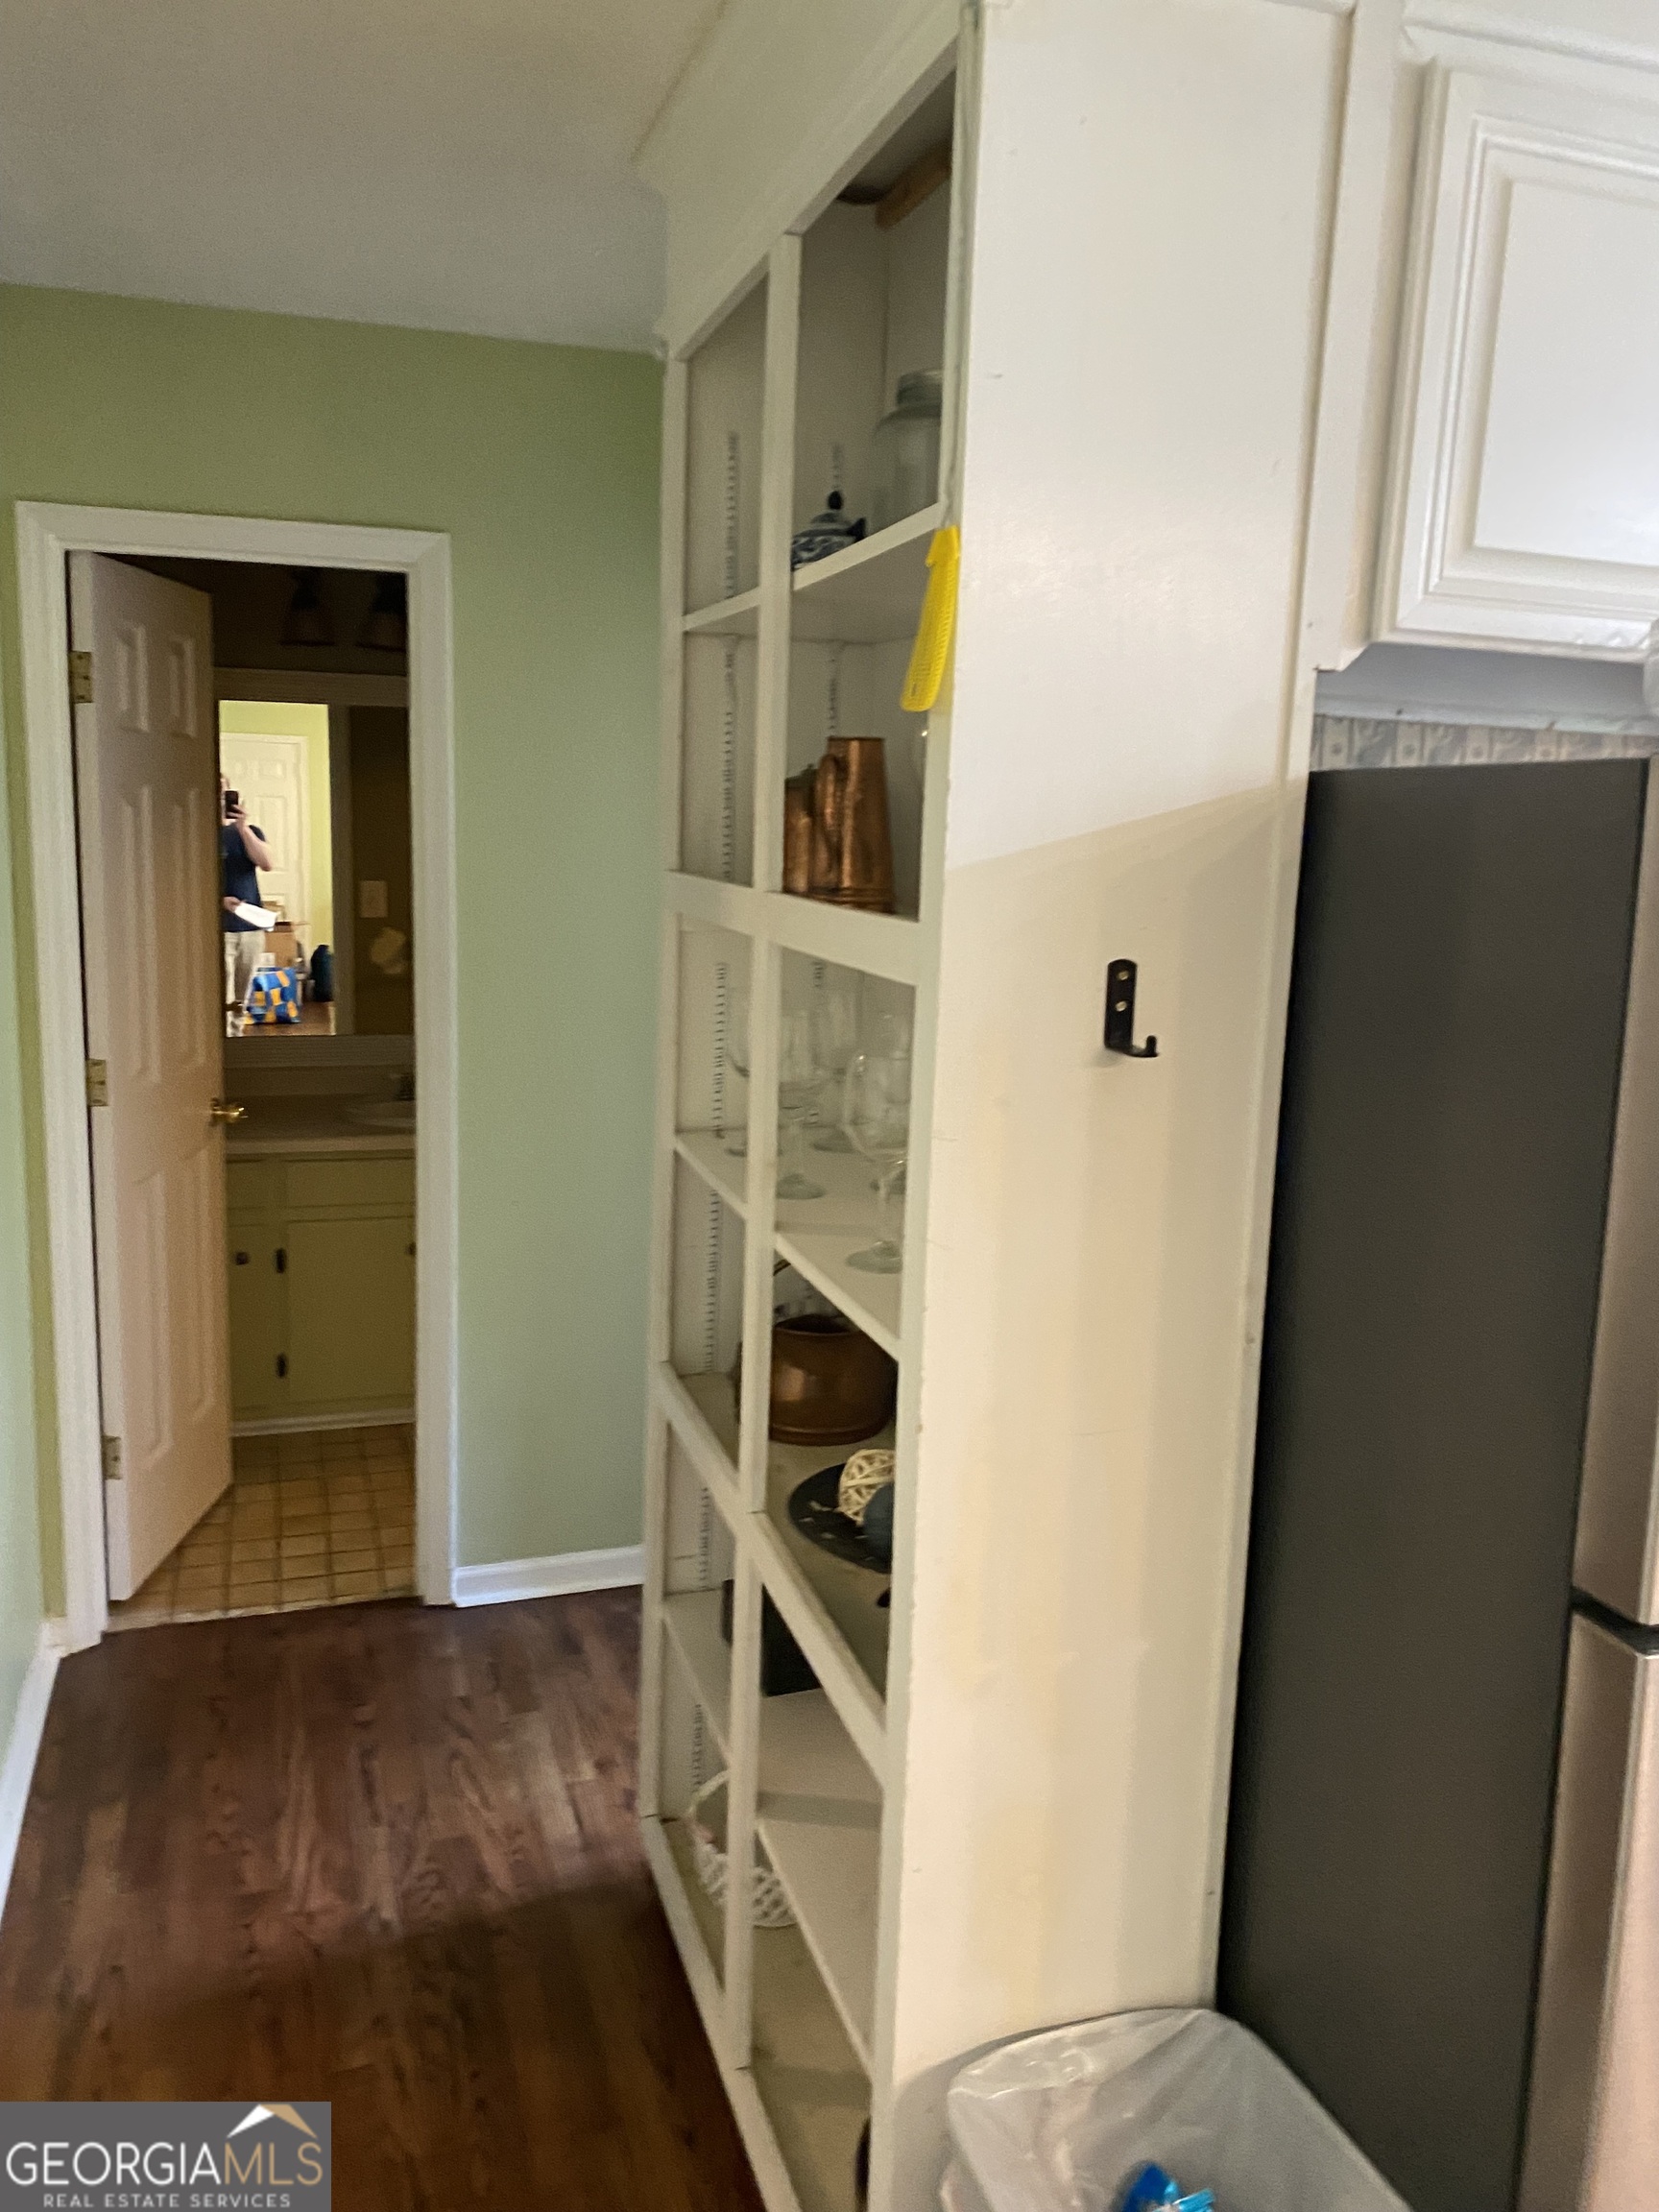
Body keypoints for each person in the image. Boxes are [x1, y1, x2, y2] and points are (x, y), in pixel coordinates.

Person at [221, 775, 275, 1034]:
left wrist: (243, 828)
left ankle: (237, 1040)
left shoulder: (249, 832)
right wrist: (218, 902)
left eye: (224, 791)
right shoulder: (198, 833)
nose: (220, 796)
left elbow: (266, 863)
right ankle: (223, 1045)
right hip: (217, 930)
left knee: (242, 996)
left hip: (251, 926)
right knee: (221, 998)